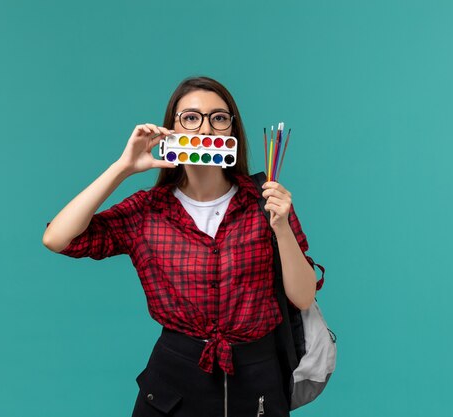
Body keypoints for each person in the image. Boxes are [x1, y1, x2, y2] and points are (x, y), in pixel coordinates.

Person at [43, 76, 323, 417]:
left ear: (232, 131)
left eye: (219, 117)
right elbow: (58, 239)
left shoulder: (264, 200)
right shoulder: (148, 211)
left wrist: (280, 226)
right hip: (174, 382)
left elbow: (304, 296)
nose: (205, 127)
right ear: (171, 130)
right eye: (191, 117)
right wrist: (123, 168)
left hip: (258, 383)